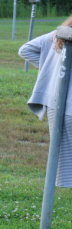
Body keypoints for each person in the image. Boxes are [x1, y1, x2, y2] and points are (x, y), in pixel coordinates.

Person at [19, 15, 72, 187]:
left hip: (54, 105)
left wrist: (50, 71)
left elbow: (25, 49)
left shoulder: (59, 33)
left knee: (64, 158)